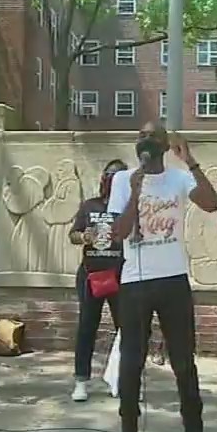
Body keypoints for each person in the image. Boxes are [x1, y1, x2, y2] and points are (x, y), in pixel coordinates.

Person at [107, 122, 217, 432]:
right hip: (135, 282)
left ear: (164, 144)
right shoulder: (123, 180)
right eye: (140, 135)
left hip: (173, 281)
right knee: (131, 362)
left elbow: (212, 204)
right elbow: (117, 233)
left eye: (152, 136)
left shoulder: (178, 178)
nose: (145, 140)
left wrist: (192, 163)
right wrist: (136, 193)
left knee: (183, 363)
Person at [68, 159, 127, 402]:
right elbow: (72, 234)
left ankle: (122, 379)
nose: (112, 182)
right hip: (91, 273)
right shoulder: (89, 205)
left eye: (118, 178)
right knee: (86, 328)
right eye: (109, 177)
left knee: (126, 329)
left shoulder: (128, 207)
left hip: (120, 274)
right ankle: (81, 380)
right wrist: (84, 236)